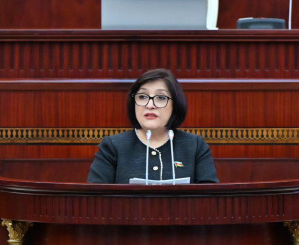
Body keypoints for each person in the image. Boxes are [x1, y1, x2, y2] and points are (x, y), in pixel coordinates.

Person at [87, 68, 218, 184]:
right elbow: (96, 199)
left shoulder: (195, 146)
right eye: (142, 97)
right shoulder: (112, 146)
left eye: (161, 98)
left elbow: (209, 199)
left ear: (175, 104)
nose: (150, 105)